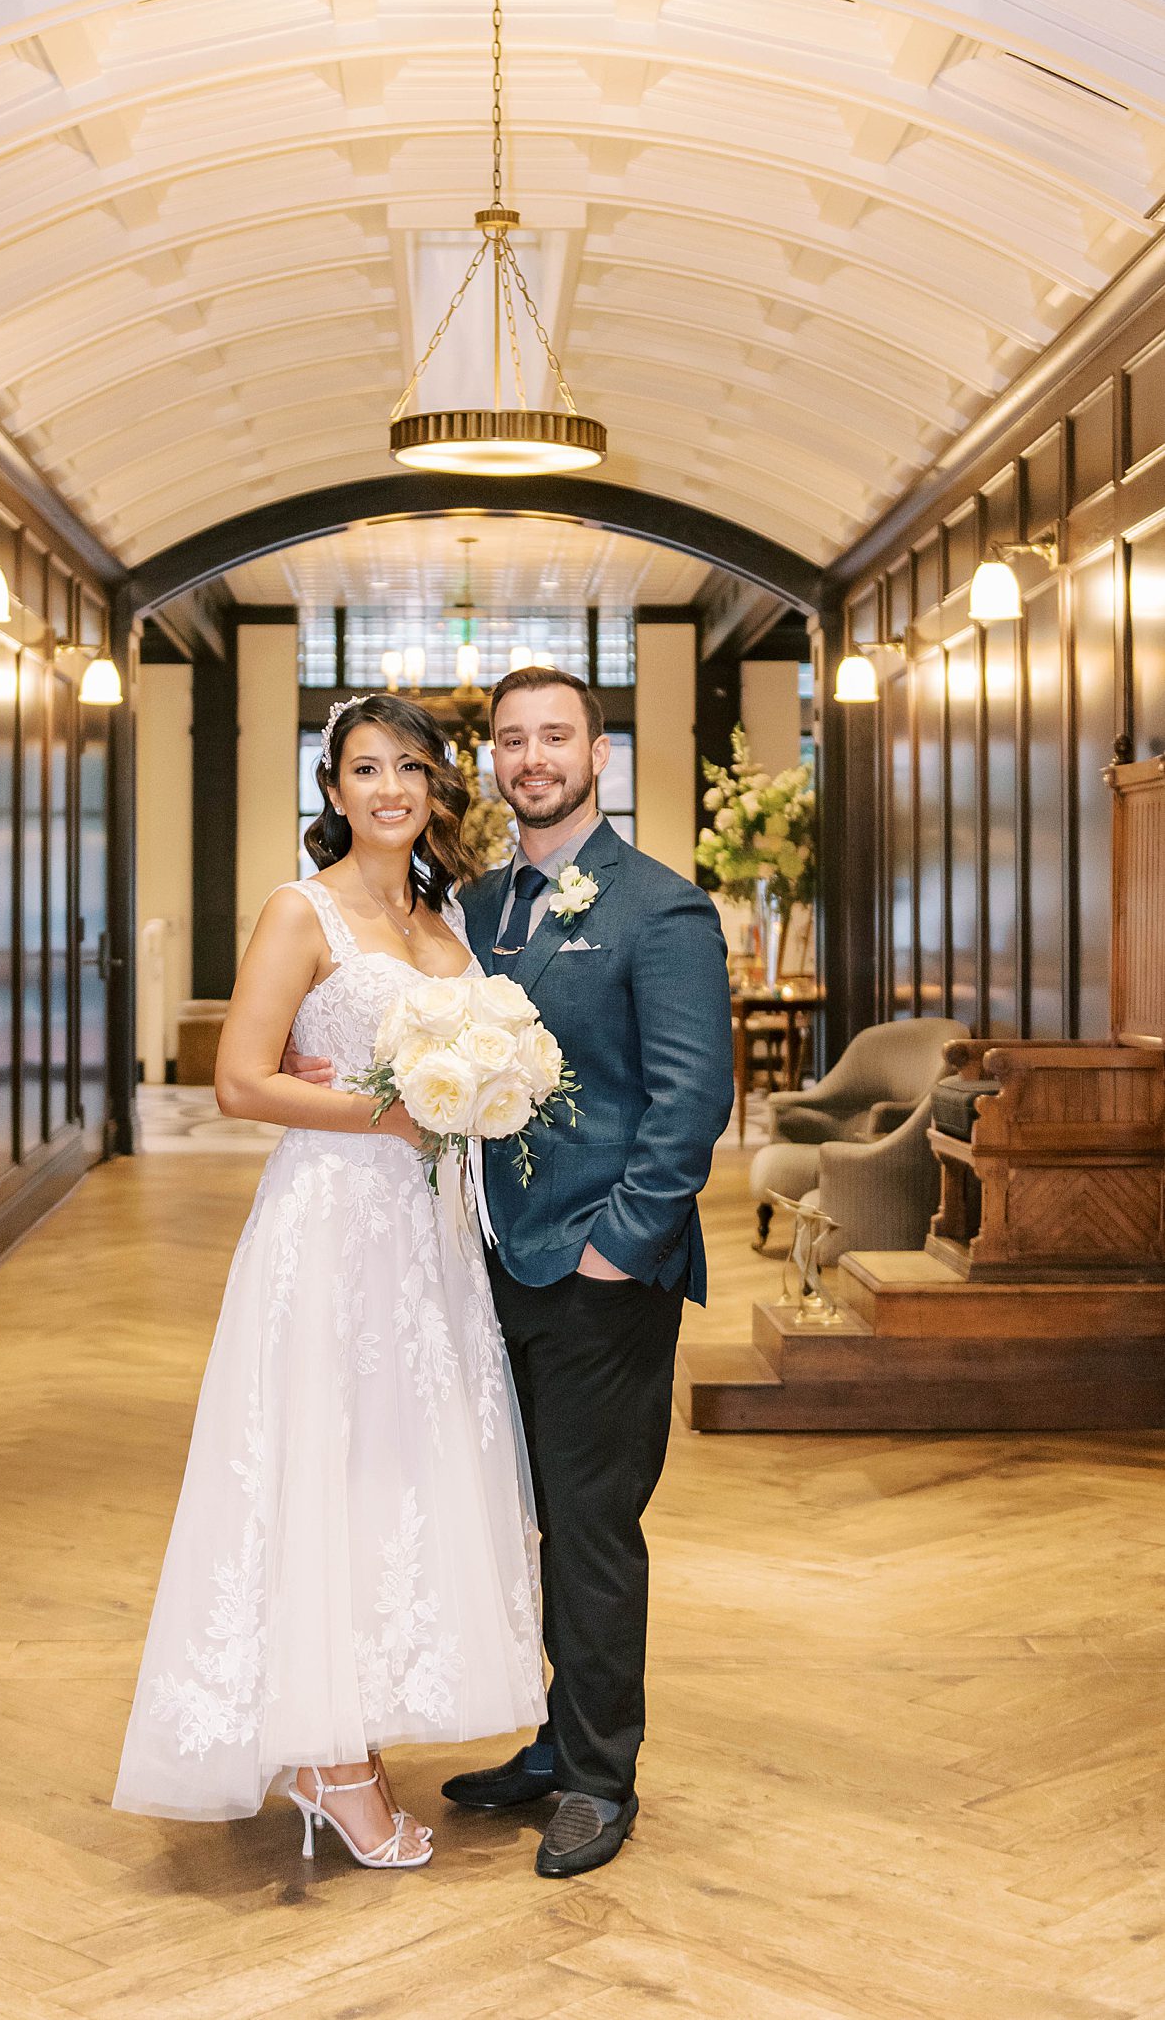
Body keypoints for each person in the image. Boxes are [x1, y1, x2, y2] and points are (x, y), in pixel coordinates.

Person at [112, 693, 544, 1870]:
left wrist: (480, 1101)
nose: (390, 788)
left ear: (436, 786)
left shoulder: (449, 910)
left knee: (397, 1472)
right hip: (334, 1221)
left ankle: (338, 1729)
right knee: (325, 1464)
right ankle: (332, 1763)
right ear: (334, 789)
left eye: (411, 767)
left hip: (431, 1234)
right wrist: (386, 1112)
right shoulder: (299, 912)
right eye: (365, 769)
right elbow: (240, 1083)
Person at [440, 664, 734, 1877]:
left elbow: (691, 1102)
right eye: (512, 740)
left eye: (555, 735)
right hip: (485, 1265)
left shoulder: (658, 908)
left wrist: (622, 1248)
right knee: (531, 1518)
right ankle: (556, 1743)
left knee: (596, 1528)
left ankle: (602, 1781)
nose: (532, 757)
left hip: (601, 1273)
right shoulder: (473, 904)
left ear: (599, 754)